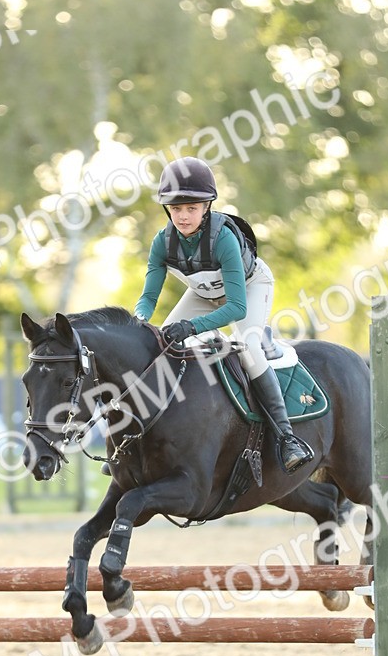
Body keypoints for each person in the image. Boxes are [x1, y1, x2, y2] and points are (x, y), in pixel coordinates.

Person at [134, 156, 313, 475]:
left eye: (192, 208)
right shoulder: (162, 242)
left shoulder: (224, 239)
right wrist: (139, 320)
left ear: (207, 207)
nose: (183, 216)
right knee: (160, 348)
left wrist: (191, 327)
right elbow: (148, 297)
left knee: (248, 348)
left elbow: (236, 308)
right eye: (176, 208)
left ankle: (287, 438)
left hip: (249, 287)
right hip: (204, 294)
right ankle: (138, 437)